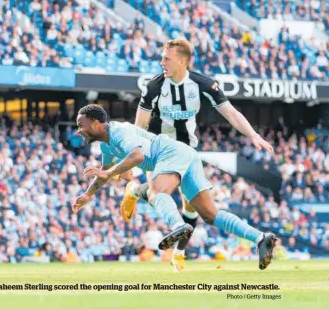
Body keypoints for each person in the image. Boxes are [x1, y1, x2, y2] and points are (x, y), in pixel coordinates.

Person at [122, 39, 273, 271]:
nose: (161, 62)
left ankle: (260, 238)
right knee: (160, 193)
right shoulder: (154, 87)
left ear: (182, 61)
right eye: (162, 57)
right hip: (159, 151)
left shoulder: (203, 84)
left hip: (187, 152)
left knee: (205, 211)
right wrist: (133, 161)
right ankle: (140, 197)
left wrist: (253, 135)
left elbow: (231, 113)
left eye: (167, 58)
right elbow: (139, 127)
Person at [71, 105, 277, 270]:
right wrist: (88, 194)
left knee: (157, 191)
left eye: (82, 125)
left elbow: (137, 156)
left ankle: (178, 226)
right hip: (186, 155)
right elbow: (104, 171)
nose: (79, 130)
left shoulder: (119, 131)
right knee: (209, 214)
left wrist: (110, 173)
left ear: (97, 123)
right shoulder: (106, 145)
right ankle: (260, 238)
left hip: (170, 154)